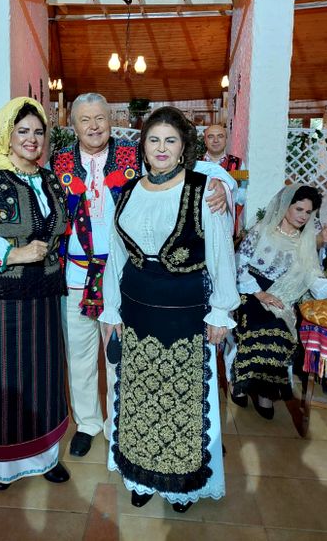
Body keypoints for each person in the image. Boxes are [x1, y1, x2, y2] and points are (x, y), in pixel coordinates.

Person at [51, 93, 237, 458]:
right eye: (85, 119)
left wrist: (223, 188)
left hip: (124, 275)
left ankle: (118, 424)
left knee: (121, 356)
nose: (93, 126)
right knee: (79, 355)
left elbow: (181, 172)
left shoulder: (133, 155)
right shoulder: (58, 162)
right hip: (75, 273)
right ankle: (87, 423)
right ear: (73, 126)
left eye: (100, 118)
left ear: (111, 121)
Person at [99, 105, 240, 514]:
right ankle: (142, 476)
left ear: (184, 147)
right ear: (143, 146)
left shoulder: (205, 189)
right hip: (136, 309)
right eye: (154, 140)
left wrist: (221, 310)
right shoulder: (128, 191)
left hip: (186, 311)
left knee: (181, 400)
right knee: (140, 397)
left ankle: (180, 485)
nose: (162, 148)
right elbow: (117, 257)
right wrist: (112, 309)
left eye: (171, 140)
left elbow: (220, 253)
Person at [0, 97, 70, 491]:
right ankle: (2, 465)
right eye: (23, 131)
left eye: (38, 132)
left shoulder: (50, 180)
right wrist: (13, 253)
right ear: (7, 134)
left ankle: (46, 457)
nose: (32, 139)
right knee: (4, 379)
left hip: (43, 295)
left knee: (43, 377)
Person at [226, 184, 327, 420]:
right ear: (285, 206)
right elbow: (239, 265)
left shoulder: (305, 241)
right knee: (259, 327)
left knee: (280, 330)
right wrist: (260, 294)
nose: (303, 216)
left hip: (283, 295)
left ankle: (266, 393)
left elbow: (312, 276)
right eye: (298, 209)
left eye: (307, 212)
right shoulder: (262, 230)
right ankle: (239, 383)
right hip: (250, 291)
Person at [203, 124, 246, 229]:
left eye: (220, 136)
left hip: (227, 221)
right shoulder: (195, 164)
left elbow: (242, 196)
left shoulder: (238, 164)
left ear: (226, 140)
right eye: (211, 136)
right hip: (201, 221)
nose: (215, 140)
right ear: (205, 141)